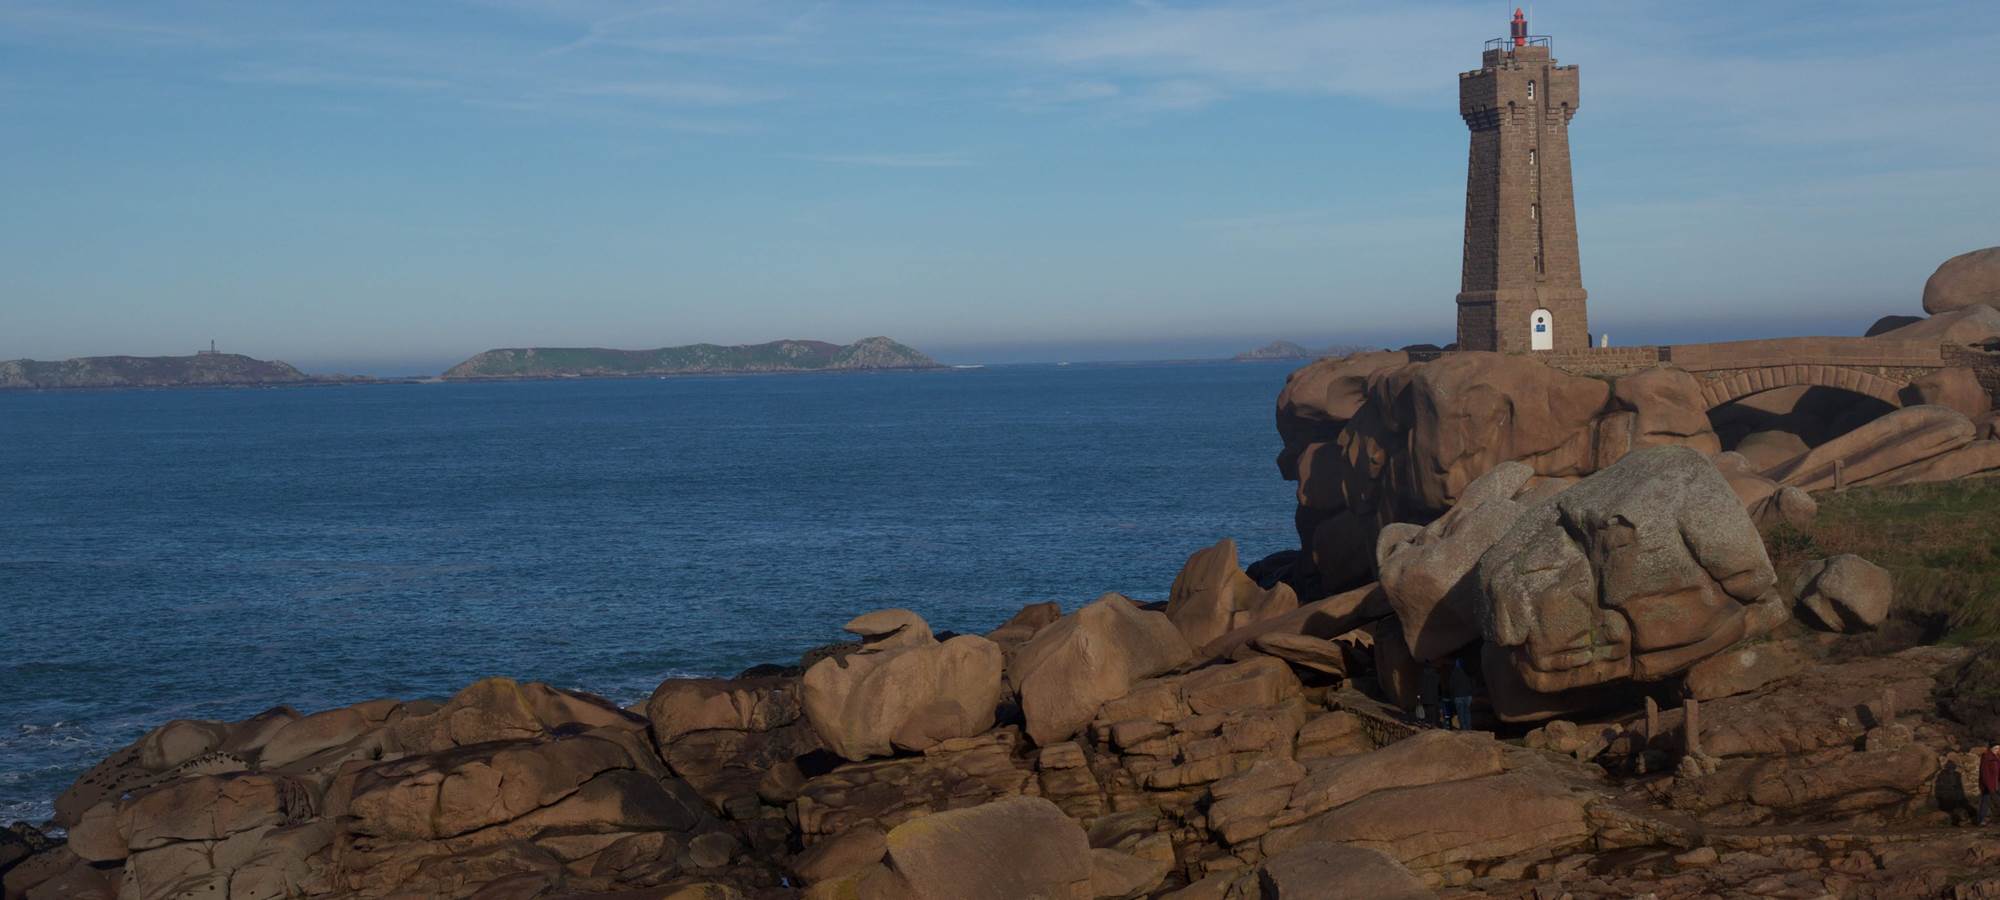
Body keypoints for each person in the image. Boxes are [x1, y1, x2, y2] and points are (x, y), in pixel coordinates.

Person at [1448, 658, 1476, 732]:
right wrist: (1471, 692)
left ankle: (1463, 728)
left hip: (1458, 696)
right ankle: (1468, 728)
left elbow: (1451, 686)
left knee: (1461, 713)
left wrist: (1452, 695)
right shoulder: (1467, 671)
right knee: (1467, 712)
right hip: (1467, 695)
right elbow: (1472, 682)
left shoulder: (1453, 673)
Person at [1981, 743, 2000, 826]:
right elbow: (1985, 773)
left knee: (1987, 801)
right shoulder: (1987, 758)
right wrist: (1988, 785)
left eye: (1998, 748)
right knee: (1988, 801)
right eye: (1996, 748)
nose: (1997, 750)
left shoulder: (1997, 758)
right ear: (1991, 749)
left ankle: (1985, 820)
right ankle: (1982, 820)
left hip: (1996, 783)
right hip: (1989, 784)